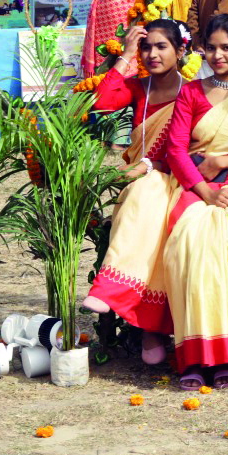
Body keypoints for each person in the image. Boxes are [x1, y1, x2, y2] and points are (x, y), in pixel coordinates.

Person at [160, 13, 228, 389]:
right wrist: (203, 190)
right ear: (202, 49)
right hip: (193, 181)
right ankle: (192, 354)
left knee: (221, 239)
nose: (219, 55)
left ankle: (224, 355)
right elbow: (175, 149)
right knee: (187, 239)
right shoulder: (191, 90)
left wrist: (223, 162)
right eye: (212, 48)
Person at [81, 19, 191, 364]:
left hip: (183, 177)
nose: (152, 54)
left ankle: (149, 325)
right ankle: (149, 329)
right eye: (146, 47)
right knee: (147, 197)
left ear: (181, 50)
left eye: (161, 47)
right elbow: (100, 103)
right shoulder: (138, 88)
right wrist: (126, 55)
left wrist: (151, 167)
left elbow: (200, 147)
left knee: (154, 202)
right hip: (141, 179)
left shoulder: (194, 91)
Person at [81, 0, 135, 78]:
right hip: (125, 55)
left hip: (101, 54)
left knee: (102, 82)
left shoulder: (97, 0)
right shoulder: (132, 4)